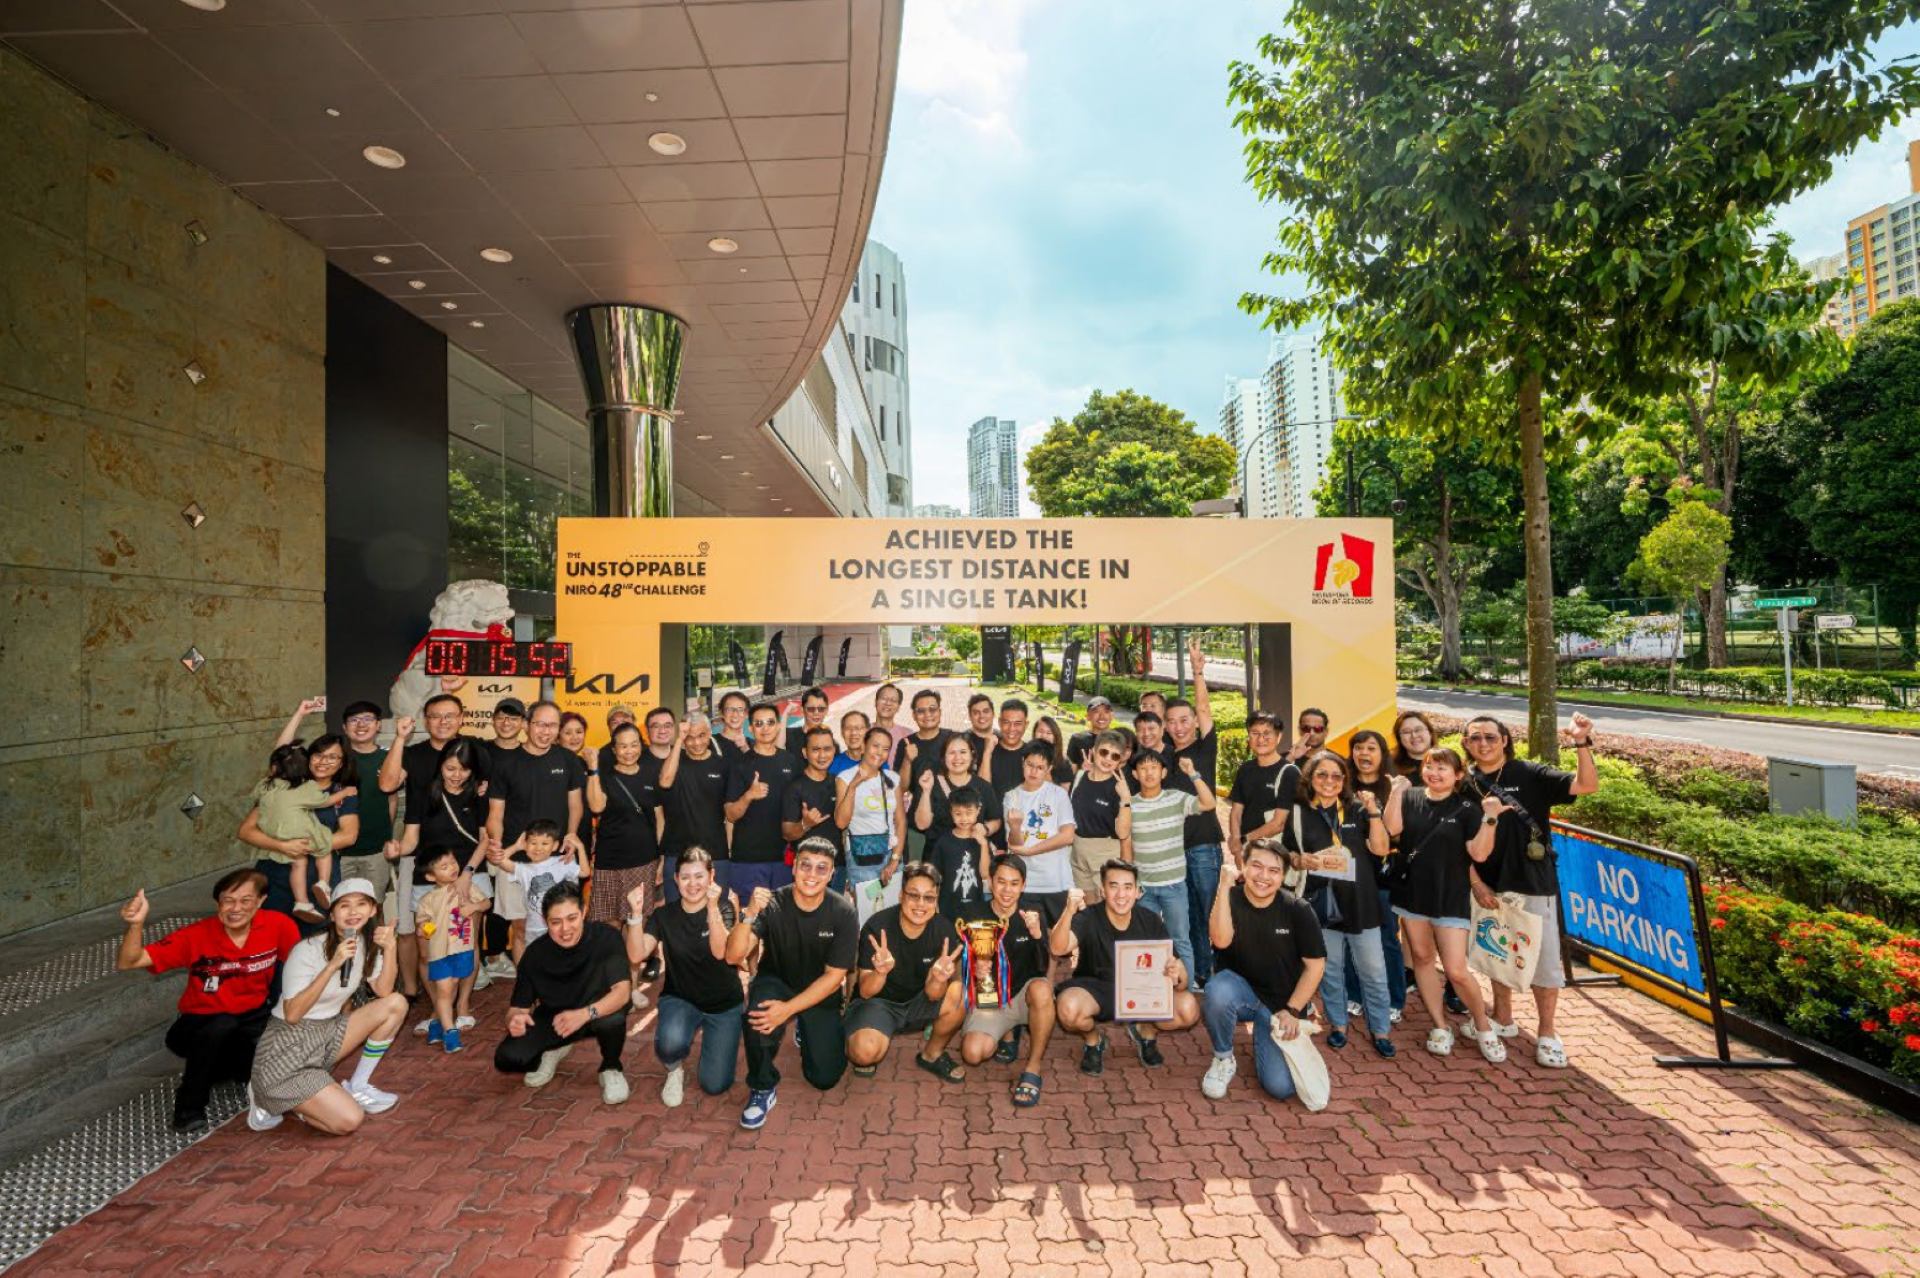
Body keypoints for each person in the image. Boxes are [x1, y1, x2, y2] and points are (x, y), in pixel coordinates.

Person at [1462, 712, 1600, 1068]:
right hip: (1489, 883)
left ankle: (1548, 1033)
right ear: (1465, 743)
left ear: (1505, 740)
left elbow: (1586, 786)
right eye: (1475, 737)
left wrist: (1581, 742)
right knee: (1496, 953)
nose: (1483, 744)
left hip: (1533, 881)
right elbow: (1457, 841)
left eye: (1490, 737)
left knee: (1544, 960)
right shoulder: (1465, 783)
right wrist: (1475, 882)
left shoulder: (1529, 773)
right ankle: (1503, 1018)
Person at [116, 870, 302, 1132]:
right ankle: (188, 1108)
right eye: (228, 901)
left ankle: (224, 1068)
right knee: (220, 1026)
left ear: (261, 901)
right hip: (201, 1022)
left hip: (253, 1018)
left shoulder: (278, 925)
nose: (236, 909)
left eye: (246, 901)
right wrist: (136, 924)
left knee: (269, 1054)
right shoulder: (196, 935)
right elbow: (129, 961)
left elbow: (300, 967)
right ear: (218, 904)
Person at [245, 879, 407, 1135]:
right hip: (288, 1045)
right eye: (344, 906)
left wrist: (390, 949)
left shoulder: (367, 944)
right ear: (332, 914)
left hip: (327, 1033)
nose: (353, 912)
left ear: (373, 910)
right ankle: (265, 1095)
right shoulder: (307, 949)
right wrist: (333, 965)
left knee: (396, 1003)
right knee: (348, 1120)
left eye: (361, 904)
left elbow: (384, 992)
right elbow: (292, 1014)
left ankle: (358, 1085)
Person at [725, 838, 859, 1129]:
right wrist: (748, 915)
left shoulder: (843, 911)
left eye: (821, 868)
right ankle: (762, 1087)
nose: (812, 874)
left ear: (831, 874)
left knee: (824, 1078)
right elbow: (733, 955)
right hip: (778, 980)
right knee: (758, 1016)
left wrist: (788, 1010)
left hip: (819, 988)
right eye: (805, 865)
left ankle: (804, 1024)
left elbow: (834, 977)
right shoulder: (771, 903)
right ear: (794, 867)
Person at [1382, 745, 1502, 1060]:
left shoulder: (1467, 808)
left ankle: (1482, 1025)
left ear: (1458, 775)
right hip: (1412, 893)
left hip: (1450, 897)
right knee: (1422, 958)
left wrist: (1490, 818)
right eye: (1429, 766)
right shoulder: (1409, 797)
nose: (1434, 773)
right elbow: (1392, 829)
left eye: (1442, 768)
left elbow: (1479, 854)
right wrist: (1396, 792)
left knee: (1456, 970)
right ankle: (1439, 1025)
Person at [1278, 750, 1394, 1056]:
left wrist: (1374, 812)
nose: (1329, 781)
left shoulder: (1358, 809)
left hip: (1360, 902)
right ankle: (1338, 1026)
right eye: (1322, 774)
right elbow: (1287, 852)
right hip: (1321, 903)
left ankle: (1381, 1030)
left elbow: (1381, 849)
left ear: (1344, 780)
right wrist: (1298, 860)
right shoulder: (1299, 812)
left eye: (1336, 776)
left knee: (1373, 972)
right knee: (1330, 971)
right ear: (1310, 778)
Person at [1202, 847, 1328, 1103]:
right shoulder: (1230, 898)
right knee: (1217, 991)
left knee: (1281, 1088)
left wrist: (1293, 1010)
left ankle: (1278, 1032)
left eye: (1273, 871)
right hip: (1241, 993)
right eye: (1257, 866)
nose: (1263, 876)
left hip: (1281, 1006)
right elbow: (1220, 940)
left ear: (1283, 877)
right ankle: (1223, 1058)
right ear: (1244, 866)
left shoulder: (1297, 909)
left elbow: (1316, 966)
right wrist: (1223, 886)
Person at [1052, 862, 1199, 1074]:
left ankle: (1145, 1031)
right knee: (1069, 1008)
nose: (1121, 894)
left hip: (1141, 992)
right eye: (1113, 886)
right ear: (1103, 890)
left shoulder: (1150, 920)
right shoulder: (1088, 917)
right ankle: (1094, 1041)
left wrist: (1175, 974)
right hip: (1097, 989)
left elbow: (1182, 979)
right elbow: (1058, 948)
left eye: (1128, 887)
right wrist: (1068, 911)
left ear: (1137, 892)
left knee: (1188, 1009)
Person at [494, 881, 633, 1105]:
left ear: (584, 912)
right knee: (507, 1058)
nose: (565, 929)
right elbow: (517, 1008)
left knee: (613, 1019)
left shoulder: (606, 937)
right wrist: (514, 1020)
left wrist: (584, 1014)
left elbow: (622, 993)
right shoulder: (535, 954)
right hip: (556, 1018)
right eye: (555, 922)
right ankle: (555, 1047)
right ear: (545, 921)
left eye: (572, 918)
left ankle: (611, 1067)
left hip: (596, 1011)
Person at [624, 849, 743, 1106]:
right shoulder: (664, 915)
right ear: (676, 879)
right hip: (681, 998)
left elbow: (720, 952)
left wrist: (712, 907)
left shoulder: (723, 906)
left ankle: (716, 1043)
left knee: (714, 1085)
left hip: (723, 1005)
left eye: (699, 876)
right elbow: (636, 955)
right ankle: (674, 1069)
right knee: (669, 1044)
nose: (692, 884)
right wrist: (635, 915)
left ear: (711, 876)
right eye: (685, 877)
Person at [394, 737, 493, 1021]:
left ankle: (462, 1005)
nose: (457, 775)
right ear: (440, 766)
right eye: (450, 768)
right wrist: (397, 848)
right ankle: (439, 1007)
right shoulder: (423, 793)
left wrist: (466, 874)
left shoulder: (479, 795)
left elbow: (485, 840)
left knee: (467, 946)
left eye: (464, 769)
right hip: (428, 880)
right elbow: (411, 839)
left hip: (470, 877)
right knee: (427, 947)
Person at [845, 863, 969, 1081]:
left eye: (928, 898)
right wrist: (880, 973)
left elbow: (933, 995)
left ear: (936, 901)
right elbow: (865, 991)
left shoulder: (944, 930)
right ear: (901, 895)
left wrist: (938, 979)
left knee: (960, 995)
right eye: (914, 895)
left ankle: (932, 1054)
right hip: (879, 1003)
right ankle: (867, 1034)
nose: (921, 904)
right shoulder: (877, 926)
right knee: (863, 1054)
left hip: (918, 1000)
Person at [486, 701, 589, 955]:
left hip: (558, 860)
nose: (546, 731)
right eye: (540, 724)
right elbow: (495, 813)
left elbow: (575, 806)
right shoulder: (506, 763)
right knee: (521, 929)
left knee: (562, 927)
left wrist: (571, 835)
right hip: (516, 860)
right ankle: (526, 979)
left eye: (552, 725)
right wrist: (498, 844)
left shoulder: (568, 760)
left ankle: (559, 977)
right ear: (526, 724)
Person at [377, 694, 465, 988]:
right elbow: (387, 784)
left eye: (450, 715)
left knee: (458, 931)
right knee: (409, 928)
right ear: (426, 722)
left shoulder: (473, 751)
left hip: (459, 858)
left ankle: (452, 993)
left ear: (461, 718)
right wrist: (400, 739)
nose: (443, 722)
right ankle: (412, 991)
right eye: (436, 716)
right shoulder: (413, 754)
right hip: (416, 853)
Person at [954, 856, 1056, 1106]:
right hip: (990, 994)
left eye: (1014, 883)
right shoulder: (972, 914)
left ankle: (1033, 1068)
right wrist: (973, 969)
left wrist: (1037, 935)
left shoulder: (1033, 914)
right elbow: (957, 965)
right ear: (990, 882)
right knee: (973, 1053)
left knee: (1042, 990)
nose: (1007, 890)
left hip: (1024, 994)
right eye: (1001, 882)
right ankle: (1008, 1032)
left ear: (1023, 885)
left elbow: (1044, 965)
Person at [1165, 638, 1223, 991]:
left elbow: (1203, 708)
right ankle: (1201, 973)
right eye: (1172, 722)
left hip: (1203, 846)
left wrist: (1198, 672)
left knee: (1212, 912)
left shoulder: (1205, 747)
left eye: (1184, 720)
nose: (1179, 727)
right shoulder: (1164, 758)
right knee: (1189, 917)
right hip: (1174, 852)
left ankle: (1222, 972)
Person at [1127, 751, 1215, 981]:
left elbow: (1209, 803)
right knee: (1147, 941)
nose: (1149, 772)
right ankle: (1153, 991)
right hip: (1144, 888)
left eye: (1154, 767)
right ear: (1135, 774)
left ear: (1163, 772)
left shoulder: (1176, 798)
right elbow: (1125, 843)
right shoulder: (1130, 805)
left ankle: (1187, 989)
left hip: (1174, 885)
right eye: (1143, 768)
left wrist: (1193, 774)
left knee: (1180, 939)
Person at [1344, 729, 1409, 1024]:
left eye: (1371, 748)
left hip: (1383, 878)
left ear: (1382, 753)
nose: (1364, 753)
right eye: (1358, 748)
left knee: (1387, 939)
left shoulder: (1393, 788)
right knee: (1349, 936)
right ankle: (1354, 994)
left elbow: (1400, 833)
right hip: (1348, 876)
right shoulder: (1342, 786)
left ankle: (1394, 998)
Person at [245, 741, 348, 924]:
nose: (324, 761)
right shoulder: (306, 786)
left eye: (332, 757)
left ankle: (302, 902)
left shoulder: (266, 785)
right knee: (324, 848)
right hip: (299, 836)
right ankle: (323, 883)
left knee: (298, 863)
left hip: (274, 833)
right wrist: (345, 793)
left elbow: (257, 794)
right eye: (318, 756)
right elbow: (323, 801)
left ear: (274, 767)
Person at [584, 722, 665, 941]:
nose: (629, 751)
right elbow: (596, 806)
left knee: (637, 923)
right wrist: (593, 768)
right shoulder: (603, 777)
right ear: (614, 749)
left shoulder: (651, 775)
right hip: (610, 863)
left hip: (644, 862)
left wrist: (661, 856)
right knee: (609, 927)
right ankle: (614, 963)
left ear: (641, 746)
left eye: (634, 745)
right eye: (623, 746)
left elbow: (659, 818)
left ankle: (633, 965)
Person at [414, 845, 489, 1054]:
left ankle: (437, 1025)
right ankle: (450, 1033)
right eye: (444, 867)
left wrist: (473, 907)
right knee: (445, 990)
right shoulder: (427, 900)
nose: (453, 868)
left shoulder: (467, 888)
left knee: (453, 985)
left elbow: (486, 903)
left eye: (453, 862)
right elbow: (422, 925)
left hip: (461, 949)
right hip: (439, 953)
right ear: (431, 877)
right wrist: (424, 929)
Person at [725, 702, 801, 899]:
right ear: (750, 729)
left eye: (770, 722)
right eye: (759, 723)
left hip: (784, 860)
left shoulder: (790, 761)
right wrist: (748, 796)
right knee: (748, 915)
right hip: (749, 860)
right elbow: (730, 814)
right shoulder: (740, 765)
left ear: (778, 726)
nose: (765, 728)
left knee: (782, 914)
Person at [1001, 743, 1077, 922]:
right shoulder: (1011, 797)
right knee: (1031, 936)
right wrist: (1014, 826)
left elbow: (1067, 836)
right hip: (1026, 884)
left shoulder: (1058, 794)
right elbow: (1015, 846)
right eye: (1030, 765)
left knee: (1060, 936)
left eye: (1040, 767)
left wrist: (1030, 851)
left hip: (1057, 881)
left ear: (1049, 769)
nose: (1033, 772)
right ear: (1023, 762)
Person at [487, 819, 583, 961]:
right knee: (533, 954)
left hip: (556, 925)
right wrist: (517, 846)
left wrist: (580, 847)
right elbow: (498, 860)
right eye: (533, 843)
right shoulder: (524, 870)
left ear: (554, 845)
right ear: (526, 845)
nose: (538, 848)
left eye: (544, 843)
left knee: (559, 956)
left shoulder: (560, 863)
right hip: (534, 929)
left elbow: (585, 872)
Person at [661, 712, 732, 901]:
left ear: (710, 733)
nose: (696, 743)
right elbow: (665, 781)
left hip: (715, 852)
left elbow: (730, 811)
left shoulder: (723, 765)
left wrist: (729, 847)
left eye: (701, 735)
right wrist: (679, 740)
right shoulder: (675, 762)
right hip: (677, 852)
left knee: (717, 910)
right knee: (675, 912)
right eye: (689, 737)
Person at [335, 700, 399, 902]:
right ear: (344, 727)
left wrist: (387, 836)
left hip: (376, 851)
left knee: (374, 904)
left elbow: (392, 800)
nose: (361, 724)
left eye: (368, 719)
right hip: (339, 852)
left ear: (378, 725)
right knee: (339, 905)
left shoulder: (389, 758)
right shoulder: (335, 759)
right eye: (354, 720)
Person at [834, 726, 908, 893]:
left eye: (886, 749)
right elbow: (841, 823)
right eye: (875, 746)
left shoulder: (892, 779)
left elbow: (901, 821)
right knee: (867, 906)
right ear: (863, 746)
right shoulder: (845, 778)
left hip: (892, 854)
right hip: (862, 858)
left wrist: (895, 859)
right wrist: (853, 787)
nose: (879, 752)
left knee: (893, 906)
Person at [1226, 712, 1299, 870]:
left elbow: (1278, 824)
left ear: (1278, 737)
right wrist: (1237, 841)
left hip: (1275, 854)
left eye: (1267, 734)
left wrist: (1243, 841)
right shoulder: (1245, 769)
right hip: (1247, 853)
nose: (1260, 739)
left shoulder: (1289, 773)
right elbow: (1236, 811)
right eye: (1255, 733)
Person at [1067, 731, 1132, 898]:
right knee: (1088, 906)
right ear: (1094, 751)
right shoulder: (1080, 776)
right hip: (1077, 851)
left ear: (1119, 761)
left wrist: (1125, 799)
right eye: (1104, 752)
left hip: (1105, 853)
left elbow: (1123, 833)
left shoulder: (1119, 787)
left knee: (1106, 906)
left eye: (1115, 756)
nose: (1108, 759)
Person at [914, 732, 1004, 849]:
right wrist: (926, 791)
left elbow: (995, 821)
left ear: (972, 755)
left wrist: (985, 829)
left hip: (973, 853)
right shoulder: (930, 783)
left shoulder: (983, 786)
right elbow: (922, 825)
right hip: (937, 853)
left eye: (963, 752)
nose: (957, 758)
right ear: (943, 757)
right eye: (952, 753)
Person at [783, 727, 847, 887]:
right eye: (816, 749)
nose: (822, 755)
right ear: (805, 753)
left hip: (837, 866)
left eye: (827, 749)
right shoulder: (795, 787)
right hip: (808, 870)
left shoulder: (839, 783)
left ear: (834, 751)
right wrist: (805, 824)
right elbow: (787, 833)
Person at [893, 689, 953, 861]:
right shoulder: (906, 744)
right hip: (918, 826)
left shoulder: (953, 739)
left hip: (952, 822)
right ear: (914, 715)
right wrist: (907, 760)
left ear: (940, 711)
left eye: (932, 709)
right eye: (921, 710)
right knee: (916, 871)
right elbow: (902, 788)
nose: (927, 714)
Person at [926, 791, 992, 918]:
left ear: (978, 810)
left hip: (976, 906)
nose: (964, 818)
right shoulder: (943, 842)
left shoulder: (982, 842)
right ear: (951, 812)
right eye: (958, 813)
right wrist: (934, 904)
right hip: (947, 907)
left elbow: (985, 874)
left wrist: (983, 844)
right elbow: (935, 877)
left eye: (969, 812)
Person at [985, 699, 1031, 813]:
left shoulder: (1032, 754)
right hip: (993, 819)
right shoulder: (989, 751)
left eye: (1018, 724)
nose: (1011, 729)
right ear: (999, 722)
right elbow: (983, 788)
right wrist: (987, 753)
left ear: (1026, 725)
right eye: (1006, 722)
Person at [481, 697, 527, 783]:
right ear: (493, 720)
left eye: (513, 718)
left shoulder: (529, 755)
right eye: (500, 718)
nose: (506, 723)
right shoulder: (480, 750)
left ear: (523, 722)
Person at [1065, 696, 1115, 769]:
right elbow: (1068, 768)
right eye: (1096, 712)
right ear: (1088, 716)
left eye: (1106, 712)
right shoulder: (1077, 739)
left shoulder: (1119, 739)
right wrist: (1081, 767)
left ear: (1112, 716)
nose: (1102, 716)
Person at [1030, 716, 1077, 785]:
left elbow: (1065, 791)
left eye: (1049, 733)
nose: (1044, 736)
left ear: (1055, 737)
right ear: (1034, 733)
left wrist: (1048, 779)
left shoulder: (1064, 763)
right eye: (1041, 731)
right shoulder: (1024, 755)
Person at [785, 687, 832, 756]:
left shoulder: (830, 742)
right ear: (802, 710)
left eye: (821, 709)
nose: (816, 712)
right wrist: (785, 714)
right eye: (811, 709)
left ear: (826, 710)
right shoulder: (788, 736)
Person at [1391, 710, 1437, 780]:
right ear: (1399, 739)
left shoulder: (1450, 762)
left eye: (1418, 730)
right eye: (1406, 732)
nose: (1414, 735)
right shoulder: (1389, 768)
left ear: (1430, 733)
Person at [962, 692, 997, 772]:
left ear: (993, 714)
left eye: (986, 711)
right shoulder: (962, 742)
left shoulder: (1003, 739)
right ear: (970, 716)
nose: (981, 716)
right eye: (976, 713)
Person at [714, 690, 752, 758]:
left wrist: (745, 748)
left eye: (740, 710)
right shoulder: (710, 742)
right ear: (721, 713)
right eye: (730, 709)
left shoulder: (753, 744)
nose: (735, 714)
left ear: (746, 714)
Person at [872, 682, 911, 749]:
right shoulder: (862, 732)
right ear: (875, 702)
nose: (888, 703)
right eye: (884, 698)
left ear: (898, 707)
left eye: (893, 700)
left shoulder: (907, 734)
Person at [832, 710, 870, 776]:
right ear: (842, 733)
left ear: (868, 731)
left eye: (858, 728)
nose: (853, 733)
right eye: (848, 728)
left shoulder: (879, 760)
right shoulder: (833, 766)